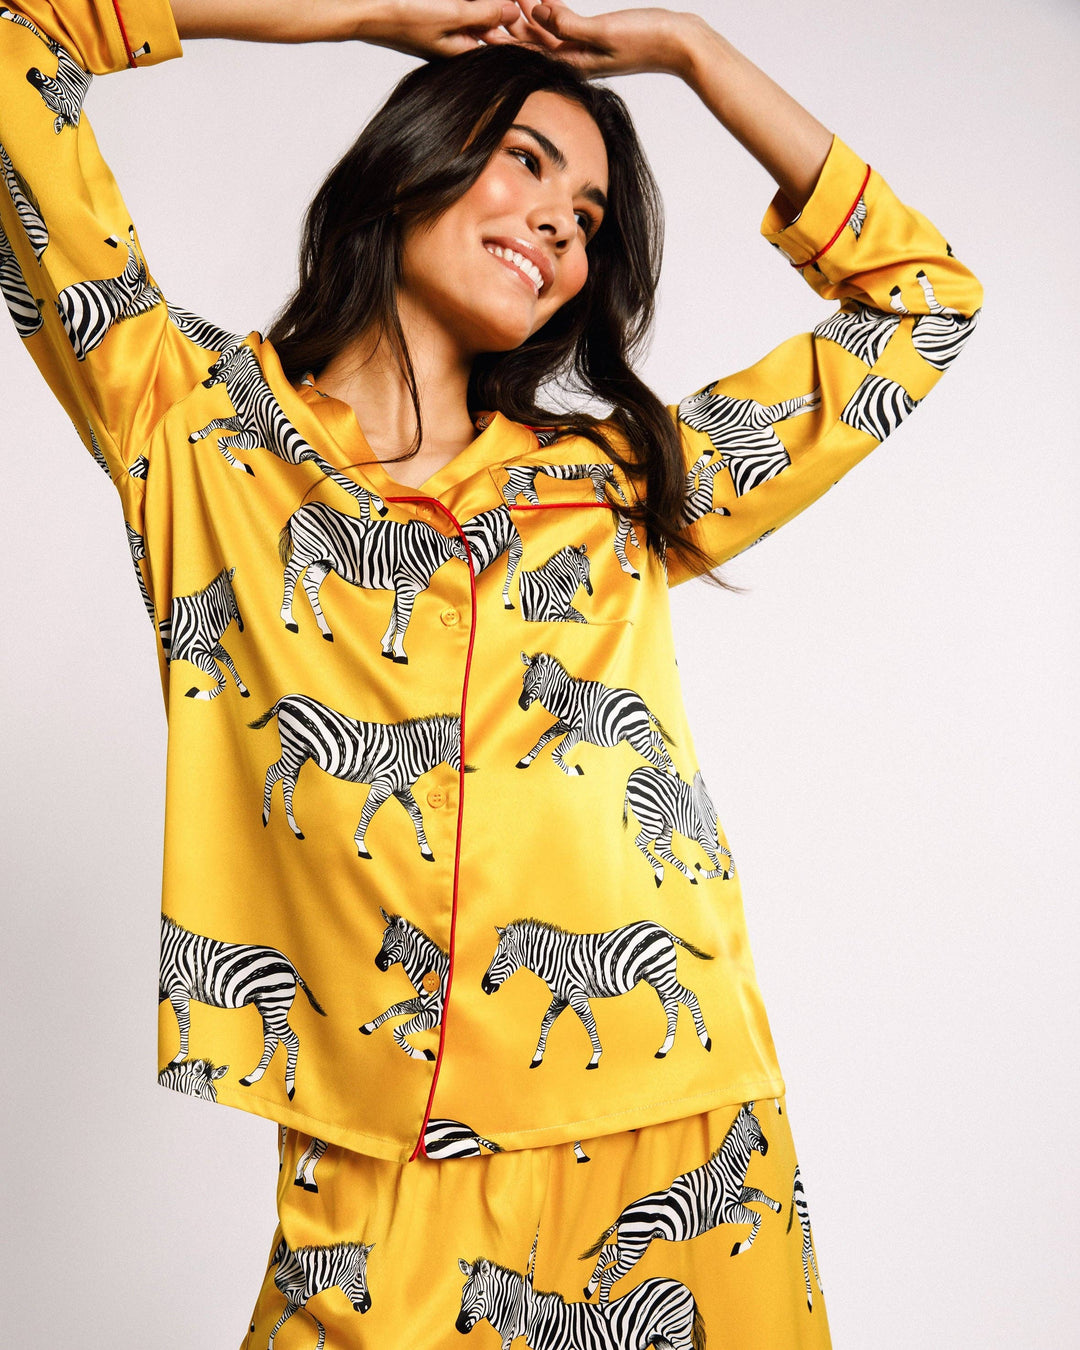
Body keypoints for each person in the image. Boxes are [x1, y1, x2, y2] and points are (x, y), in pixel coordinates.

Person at [0, 0, 982, 1344]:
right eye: (526, 161)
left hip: (674, 1119)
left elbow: (923, 304)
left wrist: (693, 54)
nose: (560, 225)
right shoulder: (193, 428)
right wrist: (362, 15)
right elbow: (15, 45)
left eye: (589, 217)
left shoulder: (620, 487)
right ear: (414, 159)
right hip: (381, 1142)